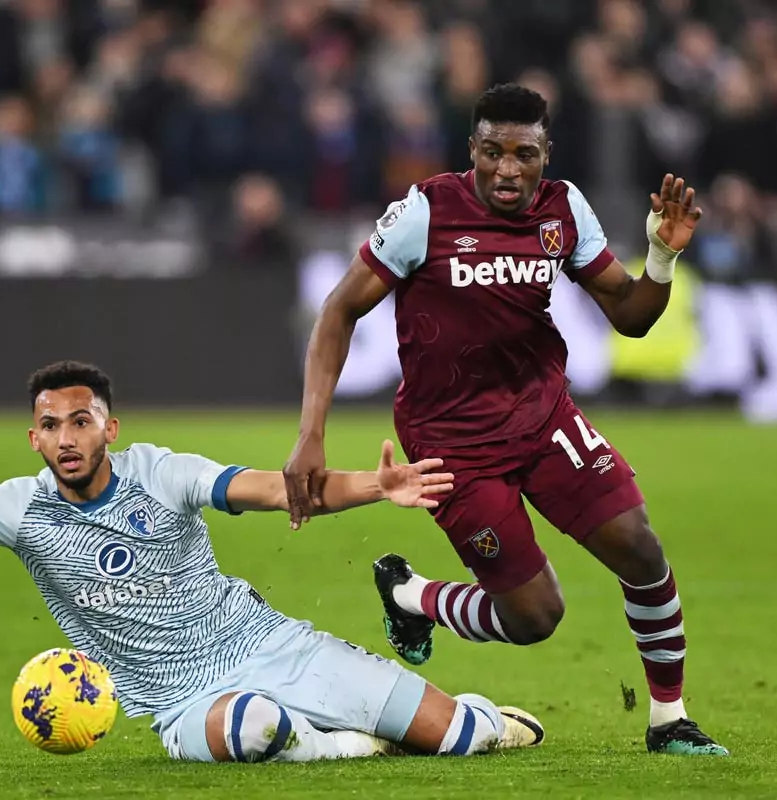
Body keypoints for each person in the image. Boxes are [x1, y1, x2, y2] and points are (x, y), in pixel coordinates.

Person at [0, 340, 544, 763]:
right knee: (250, 730)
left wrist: (377, 488)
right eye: (52, 426)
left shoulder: (160, 475)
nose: (67, 439)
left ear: (109, 428)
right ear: (33, 437)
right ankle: (338, 745)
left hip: (268, 644)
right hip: (182, 703)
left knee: (464, 744)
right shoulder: (16, 510)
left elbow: (277, 490)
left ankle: (463, 717)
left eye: (82, 421)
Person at [283, 83, 728, 756]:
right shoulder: (425, 212)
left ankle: (670, 721)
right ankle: (413, 596)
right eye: (492, 152)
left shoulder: (563, 210)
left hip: (543, 415)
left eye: (524, 154)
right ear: (473, 150)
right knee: (534, 617)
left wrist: (661, 256)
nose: (507, 170)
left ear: (546, 153)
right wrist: (311, 433)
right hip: (452, 443)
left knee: (640, 548)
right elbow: (339, 311)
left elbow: (632, 319)